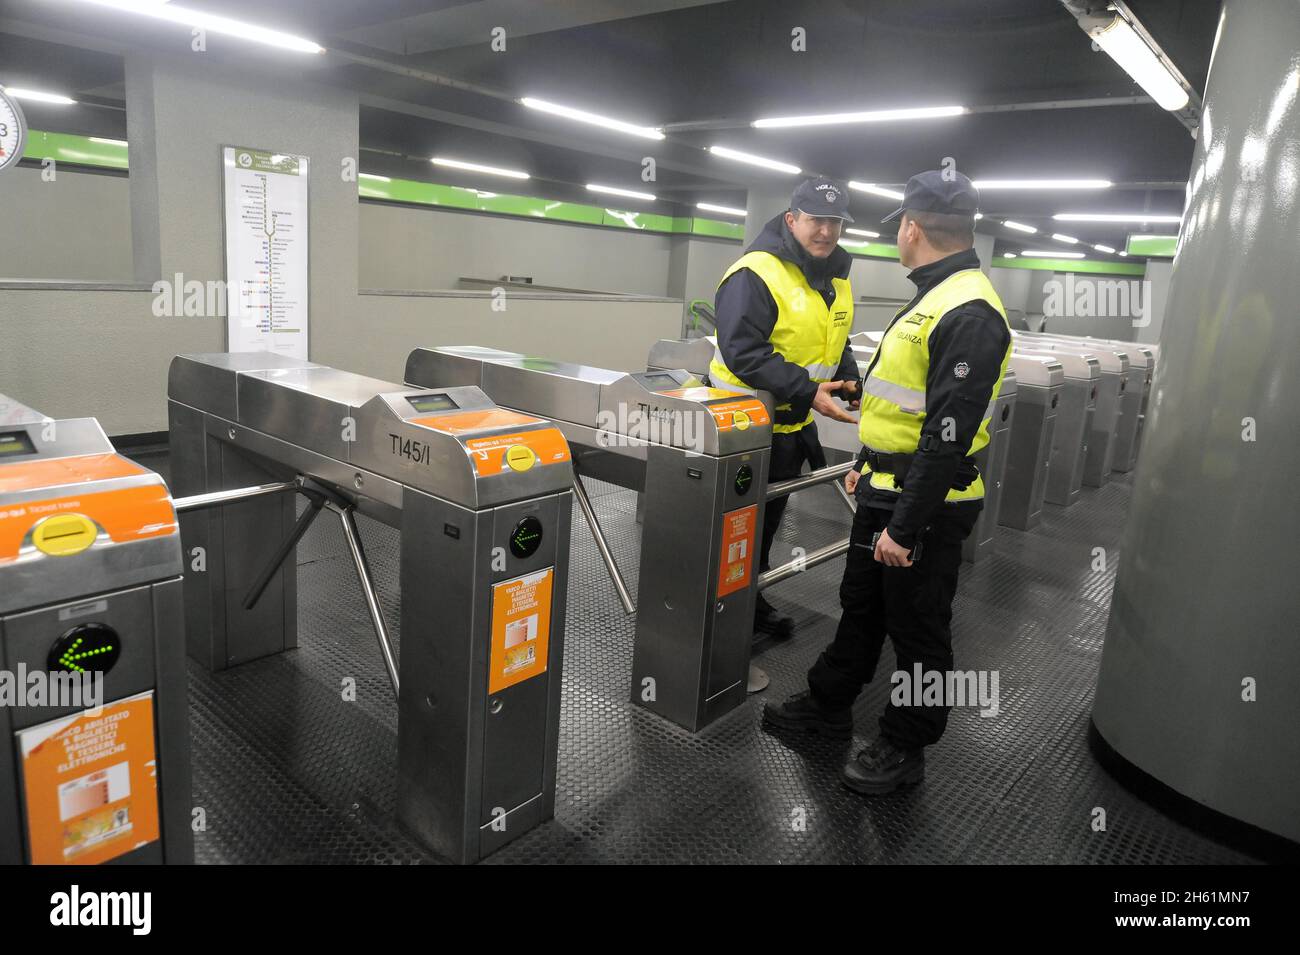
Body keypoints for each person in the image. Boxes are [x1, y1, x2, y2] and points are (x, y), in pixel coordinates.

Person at [763, 169, 1012, 794]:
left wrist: (905, 525)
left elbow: (946, 435)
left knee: (919, 627)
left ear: (912, 227)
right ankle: (829, 706)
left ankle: (907, 742)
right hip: (886, 488)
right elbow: (905, 412)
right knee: (862, 606)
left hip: (927, 504)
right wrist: (866, 468)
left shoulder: (969, 311)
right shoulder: (937, 293)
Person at [709, 177, 861, 660]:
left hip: (790, 430)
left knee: (763, 528)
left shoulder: (835, 275)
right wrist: (807, 388)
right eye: (816, 219)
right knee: (730, 528)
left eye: (835, 221)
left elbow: (836, 339)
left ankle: (747, 602)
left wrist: (849, 375)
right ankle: (711, 613)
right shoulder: (756, 273)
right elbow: (741, 351)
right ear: (792, 219)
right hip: (740, 431)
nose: (826, 231)